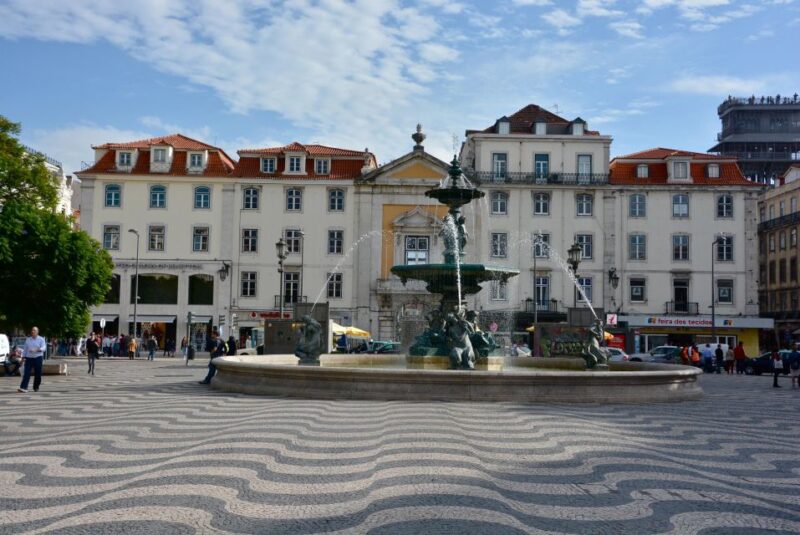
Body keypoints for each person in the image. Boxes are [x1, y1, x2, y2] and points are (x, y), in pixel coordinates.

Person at [18, 326, 46, 393]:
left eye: (34, 330)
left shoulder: (41, 339)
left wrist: (37, 349)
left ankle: (36, 387)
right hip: (29, 358)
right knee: (26, 373)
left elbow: (44, 348)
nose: (32, 331)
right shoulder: (28, 339)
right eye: (32, 330)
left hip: (38, 358)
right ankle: (23, 387)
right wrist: (22, 359)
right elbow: (25, 350)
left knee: (38, 373)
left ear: (37, 332)